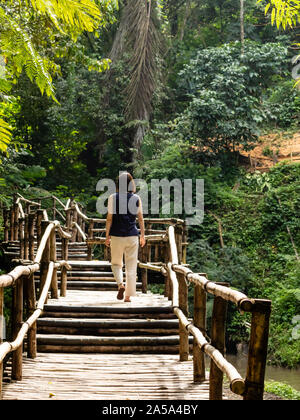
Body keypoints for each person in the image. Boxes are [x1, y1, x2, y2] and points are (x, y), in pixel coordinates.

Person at [105, 172, 145, 302]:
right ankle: (127, 296)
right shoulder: (136, 198)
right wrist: (142, 236)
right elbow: (140, 219)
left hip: (116, 235)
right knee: (131, 266)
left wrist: (107, 236)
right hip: (132, 235)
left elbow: (109, 219)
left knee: (116, 263)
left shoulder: (112, 197)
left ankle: (120, 285)